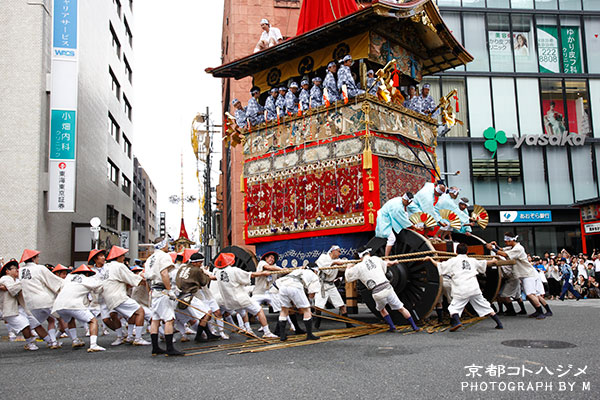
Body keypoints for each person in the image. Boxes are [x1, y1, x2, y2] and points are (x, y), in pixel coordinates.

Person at [427, 243, 502, 331]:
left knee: (453, 308)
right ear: (467, 251)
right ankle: (499, 324)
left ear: (456, 251)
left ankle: (457, 322)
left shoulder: (453, 261)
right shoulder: (472, 260)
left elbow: (440, 265)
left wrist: (430, 259)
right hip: (474, 288)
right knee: (484, 305)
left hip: (461, 289)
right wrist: (493, 261)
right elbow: (485, 263)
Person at [346, 249, 421, 332]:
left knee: (382, 309)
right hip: (387, 287)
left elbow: (348, 277)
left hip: (377, 292)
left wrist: (348, 267)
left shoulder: (358, 266)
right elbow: (386, 266)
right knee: (401, 308)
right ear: (369, 254)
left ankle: (392, 326)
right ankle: (414, 326)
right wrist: (394, 262)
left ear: (360, 257)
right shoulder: (376, 259)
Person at [487, 233, 552, 318]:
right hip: (524, 274)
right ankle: (540, 311)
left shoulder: (518, 248)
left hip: (528, 274)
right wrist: (496, 246)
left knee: (530, 294)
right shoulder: (513, 247)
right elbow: (503, 250)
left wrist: (492, 249)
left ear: (511, 240)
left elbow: (505, 254)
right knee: (531, 295)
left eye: (506, 241)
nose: (505, 242)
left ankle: (541, 312)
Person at [213, 252, 277, 338]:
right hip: (240, 298)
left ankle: (248, 330)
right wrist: (263, 273)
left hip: (228, 300)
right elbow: (251, 275)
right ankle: (267, 332)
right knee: (259, 311)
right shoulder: (234, 270)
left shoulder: (217, 273)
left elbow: (212, 277)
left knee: (243, 312)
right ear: (230, 262)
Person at [51, 264, 106, 352]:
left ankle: (75, 340)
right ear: (87, 274)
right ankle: (93, 345)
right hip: (74, 304)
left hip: (59, 304)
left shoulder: (68, 278)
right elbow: (99, 287)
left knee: (70, 320)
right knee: (93, 321)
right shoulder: (87, 279)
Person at [103, 246, 150, 346]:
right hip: (118, 296)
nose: (124, 257)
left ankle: (128, 336)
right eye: (123, 255)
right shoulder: (119, 266)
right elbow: (132, 278)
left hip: (108, 296)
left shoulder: (106, 267)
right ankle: (138, 338)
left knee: (131, 314)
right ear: (118, 256)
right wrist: (144, 280)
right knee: (140, 311)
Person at [145, 237, 183, 356]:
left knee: (155, 319)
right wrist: (169, 290)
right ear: (162, 245)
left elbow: (146, 278)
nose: (167, 245)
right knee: (169, 319)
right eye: (166, 243)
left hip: (154, 291)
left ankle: (155, 347)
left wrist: (149, 291)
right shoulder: (164, 256)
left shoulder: (150, 258)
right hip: (162, 290)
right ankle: (170, 348)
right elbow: (164, 273)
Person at [18, 249, 64, 348]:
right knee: (61, 318)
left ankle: (51, 341)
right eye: (37, 257)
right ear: (33, 258)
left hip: (29, 303)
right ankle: (74, 339)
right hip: (44, 299)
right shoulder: (40, 268)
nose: (38, 259)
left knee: (40, 323)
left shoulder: (20, 271)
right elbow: (53, 281)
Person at [252, 251, 302, 335]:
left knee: (283, 308)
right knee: (246, 308)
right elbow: (268, 268)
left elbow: (282, 273)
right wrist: (282, 269)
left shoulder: (275, 267)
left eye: (273, 258)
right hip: (259, 292)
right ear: (266, 258)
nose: (272, 259)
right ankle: (247, 327)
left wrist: (296, 269)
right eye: (270, 257)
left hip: (271, 292)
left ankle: (292, 325)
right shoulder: (262, 263)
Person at [175, 252, 220, 343]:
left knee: (201, 315)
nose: (201, 265)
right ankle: (198, 336)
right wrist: (208, 277)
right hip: (190, 296)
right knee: (207, 313)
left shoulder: (182, 268)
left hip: (180, 295)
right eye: (200, 262)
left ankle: (209, 334)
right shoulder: (196, 270)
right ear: (195, 262)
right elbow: (203, 282)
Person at [0, 259, 43, 351]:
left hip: (17, 308)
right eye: (14, 268)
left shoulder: (16, 280)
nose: (17, 270)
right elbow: (12, 290)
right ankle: (29, 343)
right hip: (8, 309)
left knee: (30, 324)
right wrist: (23, 283)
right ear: (7, 271)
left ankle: (48, 341)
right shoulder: (5, 278)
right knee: (25, 325)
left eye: (17, 268)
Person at [88, 249, 124, 345]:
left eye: (104, 255)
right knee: (106, 320)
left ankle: (121, 336)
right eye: (101, 256)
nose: (104, 257)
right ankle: (121, 333)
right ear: (95, 259)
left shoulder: (109, 267)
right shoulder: (91, 271)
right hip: (101, 299)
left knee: (114, 315)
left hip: (112, 294)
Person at [275, 266, 321, 341]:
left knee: (284, 310)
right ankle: (309, 335)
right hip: (295, 286)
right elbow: (311, 294)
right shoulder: (314, 276)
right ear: (315, 271)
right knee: (307, 310)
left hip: (282, 287)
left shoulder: (298, 270)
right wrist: (308, 305)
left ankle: (282, 336)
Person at [313, 245, 352, 329]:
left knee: (341, 305)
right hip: (321, 285)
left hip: (331, 285)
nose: (340, 253)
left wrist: (351, 264)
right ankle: (317, 323)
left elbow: (344, 266)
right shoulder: (323, 257)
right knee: (319, 307)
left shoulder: (337, 260)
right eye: (339, 251)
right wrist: (334, 263)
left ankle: (348, 324)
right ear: (333, 251)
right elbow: (324, 268)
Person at [375, 192, 418, 257]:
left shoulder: (400, 200)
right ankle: (386, 257)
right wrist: (415, 227)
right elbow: (403, 220)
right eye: (408, 203)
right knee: (392, 238)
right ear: (405, 200)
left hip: (388, 217)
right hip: (384, 220)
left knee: (406, 214)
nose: (408, 204)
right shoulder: (398, 207)